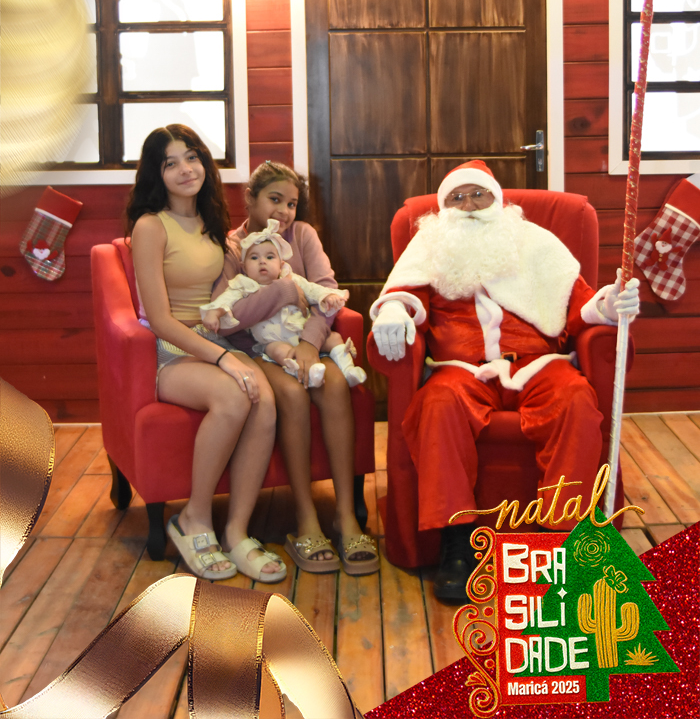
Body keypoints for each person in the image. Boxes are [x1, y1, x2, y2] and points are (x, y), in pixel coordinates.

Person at [370, 160, 640, 601]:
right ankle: (458, 545)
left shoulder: (534, 242)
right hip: (461, 369)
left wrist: (611, 305)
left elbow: (579, 302)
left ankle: (561, 541)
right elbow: (405, 292)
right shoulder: (430, 246)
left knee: (575, 399)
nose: (469, 205)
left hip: (538, 362)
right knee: (437, 406)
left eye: (478, 194)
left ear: (497, 200)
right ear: (444, 208)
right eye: (457, 197)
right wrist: (395, 310)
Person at [126, 125, 290, 583]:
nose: (185, 169)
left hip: (212, 340)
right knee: (235, 395)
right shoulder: (150, 226)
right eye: (170, 163)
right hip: (168, 348)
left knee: (263, 398)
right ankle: (193, 519)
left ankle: (236, 531)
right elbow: (160, 319)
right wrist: (223, 359)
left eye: (192, 157)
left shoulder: (212, 221)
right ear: (157, 174)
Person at [216, 161, 379, 576]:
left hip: (306, 342)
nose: (285, 211)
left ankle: (346, 516)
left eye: (291, 203)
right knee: (290, 393)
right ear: (250, 198)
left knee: (335, 384)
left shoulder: (303, 235)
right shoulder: (233, 248)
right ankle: (306, 520)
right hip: (258, 349)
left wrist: (309, 343)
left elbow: (328, 293)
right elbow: (230, 319)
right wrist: (285, 292)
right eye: (275, 200)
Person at [200, 218, 366, 388]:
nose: (262, 261)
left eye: (269, 257)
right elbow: (226, 299)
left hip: (300, 331)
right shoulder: (243, 285)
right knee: (279, 352)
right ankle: (307, 374)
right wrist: (214, 312)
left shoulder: (291, 278)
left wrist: (326, 296)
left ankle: (348, 370)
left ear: (281, 264)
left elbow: (312, 290)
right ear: (244, 266)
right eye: (254, 258)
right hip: (272, 339)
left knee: (334, 338)